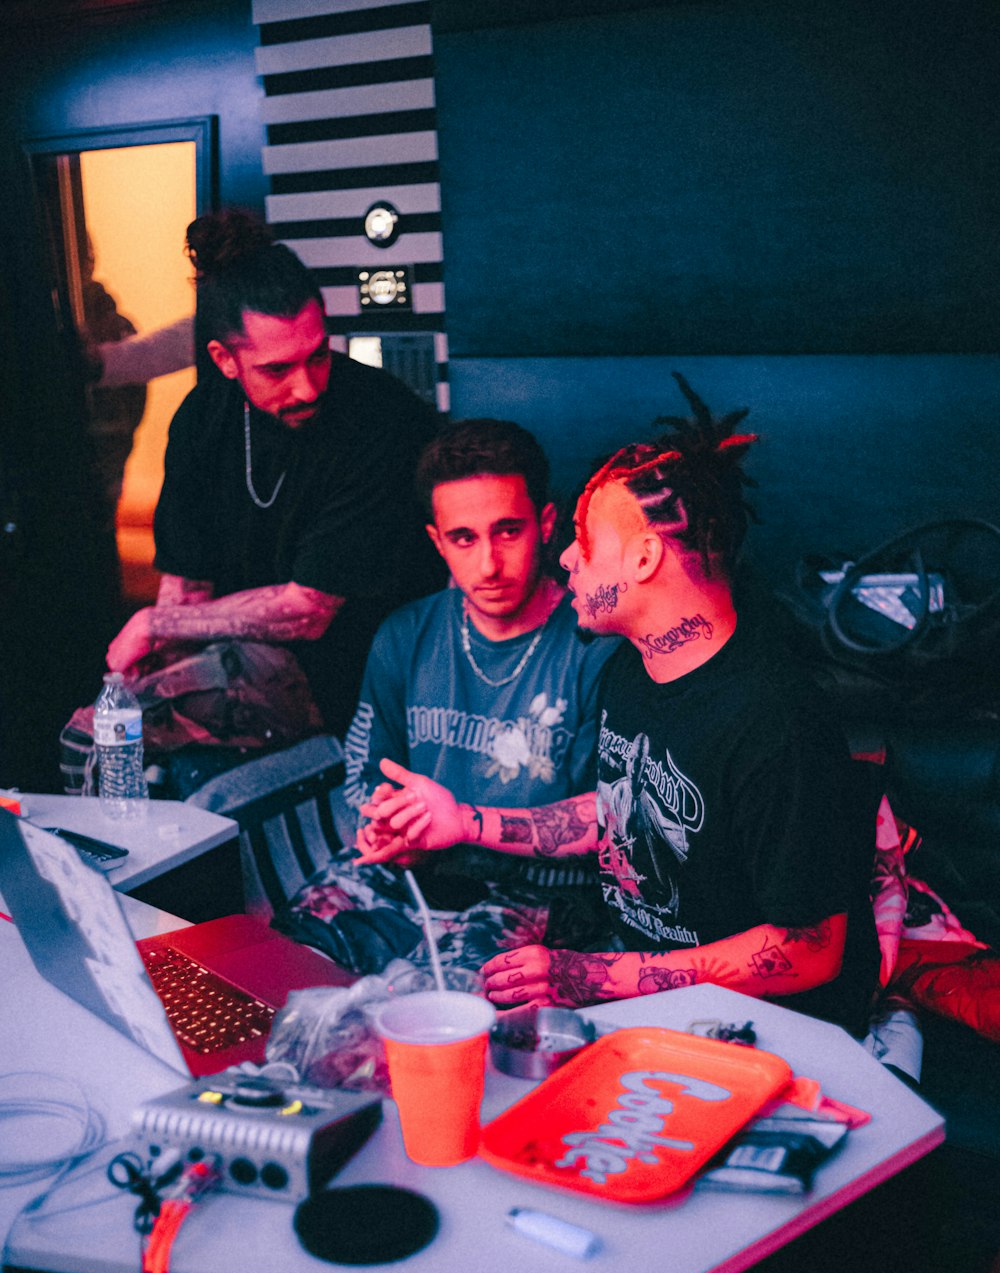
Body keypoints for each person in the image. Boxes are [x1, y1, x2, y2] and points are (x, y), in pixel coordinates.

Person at [356, 377, 881, 1034]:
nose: (569, 557)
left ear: (643, 555)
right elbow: (617, 813)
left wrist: (593, 977)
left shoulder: (775, 719)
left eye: (586, 539)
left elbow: (809, 952)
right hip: (636, 985)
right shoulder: (633, 670)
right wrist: (465, 820)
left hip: (756, 1028)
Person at [274, 418, 620, 976]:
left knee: (448, 1000)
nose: (488, 564)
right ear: (437, 540)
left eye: (508, 531)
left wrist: (463, 821)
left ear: (547, 524)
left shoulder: (595, 647)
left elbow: (609, 820)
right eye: (464, 538)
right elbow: (367, 777)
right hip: (415, 871)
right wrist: (388, 821)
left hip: (542, 891)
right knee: (288, 961)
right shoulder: (404, 634)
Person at [104, 208, 444, 738]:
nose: (307, 386)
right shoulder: (200, 421)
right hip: (245, 671)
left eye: (317, 355)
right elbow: (187, 584)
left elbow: (308, 610)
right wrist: (157, 665)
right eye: (277, 369)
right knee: (102, 732)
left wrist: (153, 625)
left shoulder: (380, 419)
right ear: (224, 359)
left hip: (377, 685)